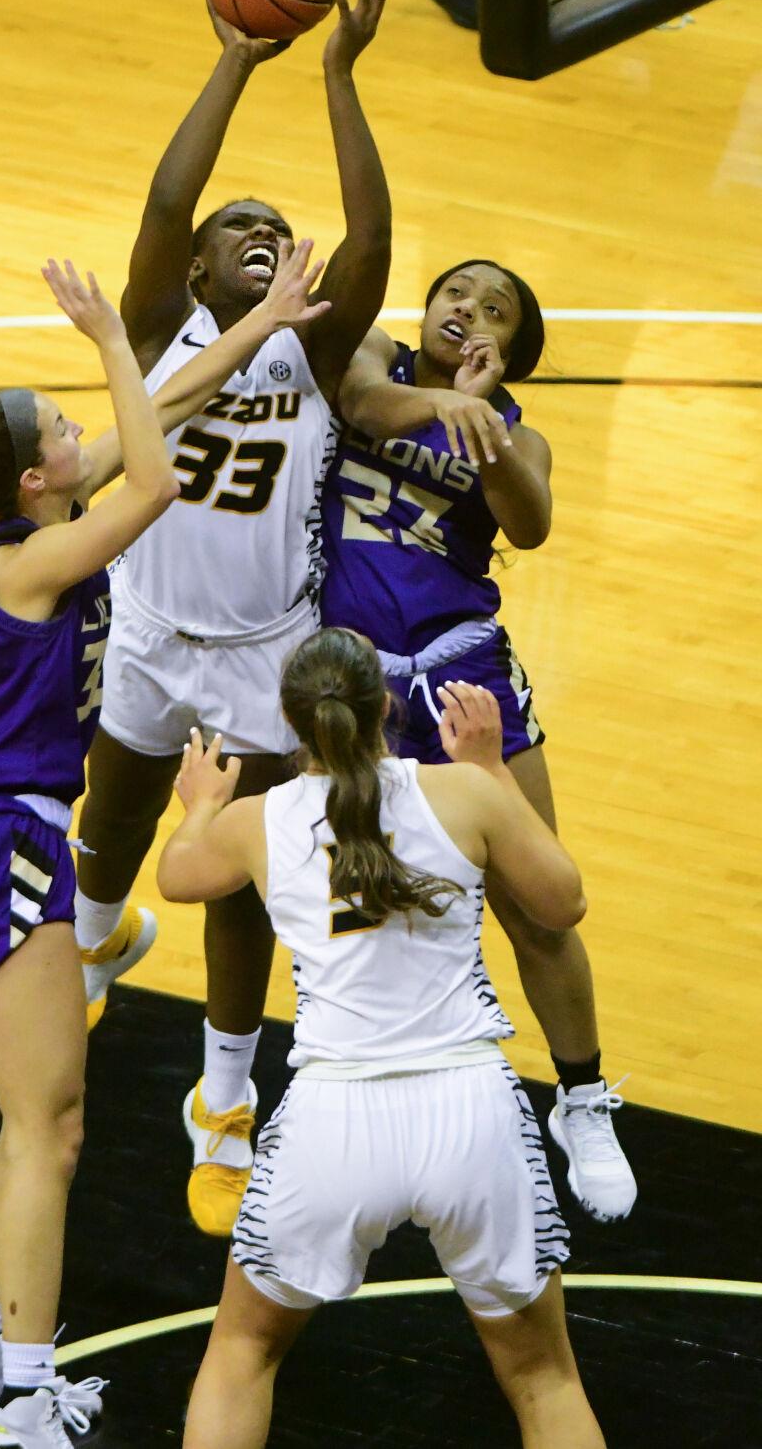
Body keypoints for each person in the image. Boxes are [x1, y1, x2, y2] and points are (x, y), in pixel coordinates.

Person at [0, 246, 329, 1449]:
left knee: (27, 1122)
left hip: (1, 836)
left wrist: (259, 322)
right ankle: (27, 1391)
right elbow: (153, 480)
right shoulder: (36, 556)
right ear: (38, 475)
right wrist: (108, 336)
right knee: (53, 1130)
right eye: (62, 426)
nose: (79, 426)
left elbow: (174, 401)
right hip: (2, 839)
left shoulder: (30, 524)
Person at [72, 0, 393, 1238]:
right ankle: (94, 946)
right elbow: (166, 201)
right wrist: (236, 63)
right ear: (197, 263)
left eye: (276, 225)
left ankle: (222, 1104)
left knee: (239, 878)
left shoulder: (311, 344)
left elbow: (370, 235)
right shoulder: (158, 326)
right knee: (113, 814)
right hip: (151, 623)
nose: (261, 230)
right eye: (236, 226)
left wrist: (338, 76)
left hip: (265, 650)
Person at [157, 632, 605, 1449]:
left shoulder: (261, 820)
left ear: (294, 722)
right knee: (545, 1378)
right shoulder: (464, 792)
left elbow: (177, 875)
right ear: (386, 706)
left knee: (242, 1354)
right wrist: (494, 769)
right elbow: (563, 900)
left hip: (331, 1121)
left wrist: (203, 805)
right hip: (470, 1112)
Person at [319, 262, 636, 1222]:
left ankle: (582, 1098)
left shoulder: (518, 434)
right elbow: (363, 405)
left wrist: (482, 418)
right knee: (358, 908)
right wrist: (443, 402)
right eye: (457, 292)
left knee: (538, 897)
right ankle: (359, 1101)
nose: (467, 308)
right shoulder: (374, 356)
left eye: (494, 308)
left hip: (463, 664)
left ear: (510, 354)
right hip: (351, 677)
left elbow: (529, 524)